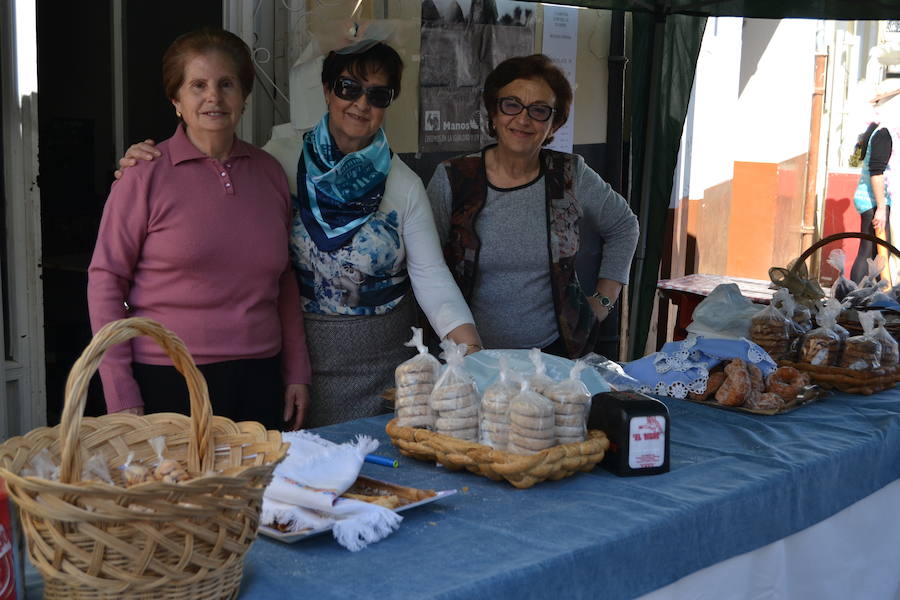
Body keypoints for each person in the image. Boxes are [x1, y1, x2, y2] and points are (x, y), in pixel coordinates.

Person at [117, 40, 481, 428]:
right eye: (348, 87)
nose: (361, 103)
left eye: (378, 94)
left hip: (381, 366)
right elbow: (215, 180)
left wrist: (470, 349)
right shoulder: (279, 159)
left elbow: (430, 275)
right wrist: (142, 165)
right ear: (326, 91)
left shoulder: (404, 184)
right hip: (295, 362)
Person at [89, 27, 311, 431]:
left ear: (244, 95)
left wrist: (296, 371)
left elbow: (285, 282)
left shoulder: (270, 174)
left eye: (227, 83)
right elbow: (106, 281)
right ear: (176, 99)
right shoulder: (144, 176)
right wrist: (120, 390)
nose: (214, 97)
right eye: (198, 85)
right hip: (167, 380)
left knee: (255, 493)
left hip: (259, 377)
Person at [427, 54, 639, 359]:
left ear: (555, 122)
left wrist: (603, 301)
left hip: (554, 357)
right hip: (469, 358)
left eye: (539, 110)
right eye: (511, 104)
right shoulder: (454, 179)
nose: (523, 119)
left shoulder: (569, 175)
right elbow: (426, 268)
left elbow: (624, 226)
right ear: (493, 111)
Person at [850, 87, 900, 283]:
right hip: (873, 200)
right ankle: (853, 299)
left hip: (871, 198)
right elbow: (876, 172)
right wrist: (880, 208)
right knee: (869, 251)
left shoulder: (878, 128)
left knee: (873, 251)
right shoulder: (884, 133)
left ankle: (863, 298)